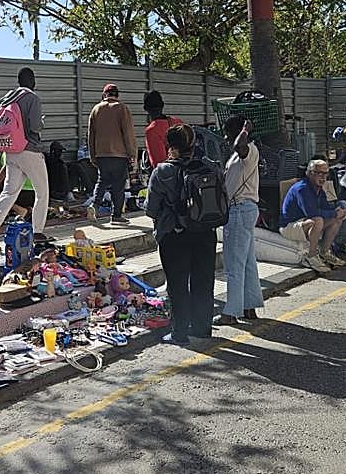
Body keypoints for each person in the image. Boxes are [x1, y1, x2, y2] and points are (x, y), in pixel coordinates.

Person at [145, 123, 217, 346]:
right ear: (193, 144)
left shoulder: (163, 171)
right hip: (205, 231)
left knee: (177, 283)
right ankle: (202, 327)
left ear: (170, 146)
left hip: (174, 234)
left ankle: (179, 332)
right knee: (203, 280)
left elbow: (151, 209)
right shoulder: (210, 167)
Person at [0, 67, 48, 248]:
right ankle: (38, 231)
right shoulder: (32, 98)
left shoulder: (8, 99)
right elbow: (35, 126)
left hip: (11, 150)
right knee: (42, 192)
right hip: (30, 150)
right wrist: (41, 121)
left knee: (9, 192)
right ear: (32, 81)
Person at [216, 115, 262, 326]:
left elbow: (238, 145)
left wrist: (245, 130)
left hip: (239, 210)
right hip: (243, 210)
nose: (225, 137)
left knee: (234, 263)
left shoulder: (248, 150)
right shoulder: (239, 156)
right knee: (247, 262)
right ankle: (249, 307)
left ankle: (231, 312)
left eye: (227, 132)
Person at [280, 160, 346, 274]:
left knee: (337, 218)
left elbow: (326, 207)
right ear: (309, 173)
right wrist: (334, 213)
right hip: (289, 226)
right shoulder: (302, 188)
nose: (323, 177)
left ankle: (325, 252)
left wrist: (338, 212)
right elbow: (312, 213)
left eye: (325, 173)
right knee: (318, 220)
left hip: (305, 222)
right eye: (319, 173)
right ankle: (311, 256)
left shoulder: (319, 188)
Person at [87, 83, 138, 223]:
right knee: (118, 186)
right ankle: (116, 216)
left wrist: (93, 156)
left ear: (104, 95)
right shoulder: (122, 108)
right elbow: (128, 133)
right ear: (117, 95)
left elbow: (90, 136)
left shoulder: (95, 110)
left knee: (102, 181)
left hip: (101, 154)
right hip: (119, 155)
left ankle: (94, 206)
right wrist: (132, 154)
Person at [143, 90, 183, 169]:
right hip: (185, 173)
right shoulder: (178, 122)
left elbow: (158, 164)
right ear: (162, 105)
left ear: (145, 108)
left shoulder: (152, 130)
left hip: (168, 175)